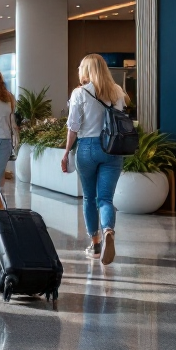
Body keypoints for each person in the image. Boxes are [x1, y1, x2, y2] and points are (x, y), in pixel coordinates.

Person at [63, 53, 128, 265]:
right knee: (106, 199)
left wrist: (66, 153)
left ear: (86, 70)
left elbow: (73, 127)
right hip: (112, 148)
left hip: (87, 148)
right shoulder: (117, 91)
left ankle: (96, 244)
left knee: (90, 198)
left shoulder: (80, 93)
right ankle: (108, 229)